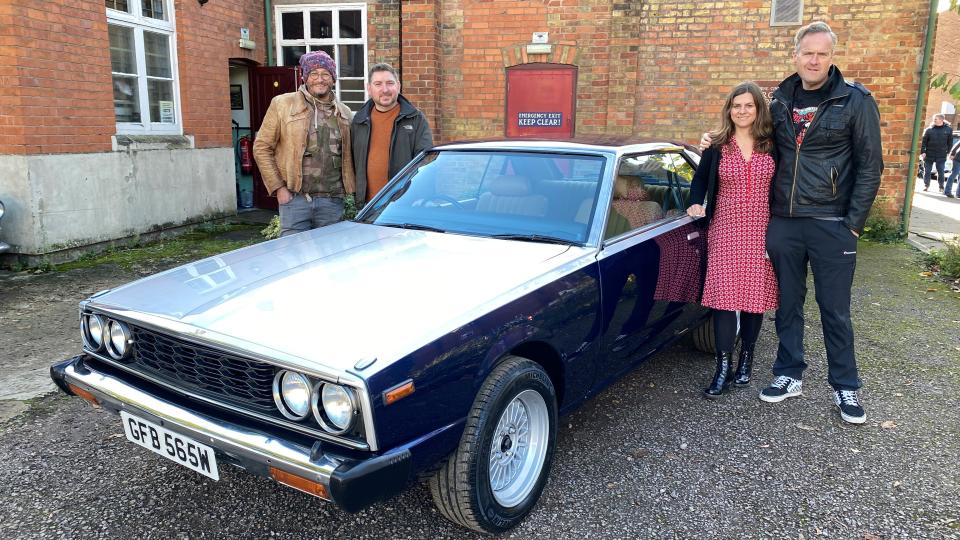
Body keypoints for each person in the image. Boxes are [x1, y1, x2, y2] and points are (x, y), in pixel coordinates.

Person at [701, 21, 883, 424]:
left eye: (821, 52)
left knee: (834, 308)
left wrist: (853, 223)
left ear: (831, 56)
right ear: (796, 55)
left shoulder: (854, 101)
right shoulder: (780, 100)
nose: (814, 59)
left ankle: (845, 387)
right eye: (807, 52)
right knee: (787, 304)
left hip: (832, 221)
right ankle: (788, 374)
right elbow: (752, 140)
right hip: (783, 220)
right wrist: (711, 143)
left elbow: (871, 166)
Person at [687, 82, 779, 399]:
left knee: (754, 301)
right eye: (736, 105)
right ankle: (722, 367)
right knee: (725, 301)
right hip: (725, 230)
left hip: (763, 231)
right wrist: (695, 202)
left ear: (758, 109)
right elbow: (699, 181)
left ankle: (747, 359)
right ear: (729, 109)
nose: (741, 111)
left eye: (748, 105)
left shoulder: (772, 143)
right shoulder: (716, 145)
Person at [252, 50, 355, 236]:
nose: (320, 79)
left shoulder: (345, 113)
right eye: (314, 73)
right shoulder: (283, 104)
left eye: (326, 74)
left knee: (329, 257)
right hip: (295, 199)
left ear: (333, 79)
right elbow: (262, 147)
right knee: (293, 256)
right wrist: (279, 189)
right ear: (305, 78)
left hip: (332, 202)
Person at [351, 63, 433, 205]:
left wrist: (419, 197)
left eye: (390, 83)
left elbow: (426, 161)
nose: (385, 90)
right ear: (369, 88)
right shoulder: (358, 122)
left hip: (404, 203)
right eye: (378, 84)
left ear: (398, 86)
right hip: (367, 207)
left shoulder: (415, 119)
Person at [920, 114, 952, 192]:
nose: (934, 120)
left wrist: (949, 152)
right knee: (927, 171)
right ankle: (926, 185)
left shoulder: (948, 129)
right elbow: (923, 142)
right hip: (929, 154)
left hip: (941, 155)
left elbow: (950, 142)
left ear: (941, 120)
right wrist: (923, 152)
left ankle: (941, 186)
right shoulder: (929, 130)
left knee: (941, 171)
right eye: (934, 119)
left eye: (935, 119)